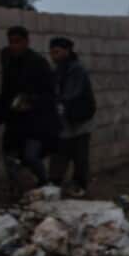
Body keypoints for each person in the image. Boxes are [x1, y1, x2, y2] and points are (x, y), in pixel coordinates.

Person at [0, 26, 60, 193]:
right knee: (10, 156)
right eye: (11, 42)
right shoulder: (7, 58)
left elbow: (50, 94)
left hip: (35, 120)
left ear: (26, 42)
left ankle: (44, 185)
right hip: (14, 118)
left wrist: (31, 101)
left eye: (18, 42)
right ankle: (17, 191)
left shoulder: (38, 63)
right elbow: (7, 90)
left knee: (31, 156)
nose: (14, 46)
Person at [47, 37, 97, 196]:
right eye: (52, 52)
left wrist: (56, 102)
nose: (54, 56)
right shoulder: (58, 70)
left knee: (80, 158)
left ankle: (79, 187)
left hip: (78, 122)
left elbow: (70, 94)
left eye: (57, 52)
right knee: (59, 156)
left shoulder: (76, 70)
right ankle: (55, 186)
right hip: (64, 123)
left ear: (67, 51)